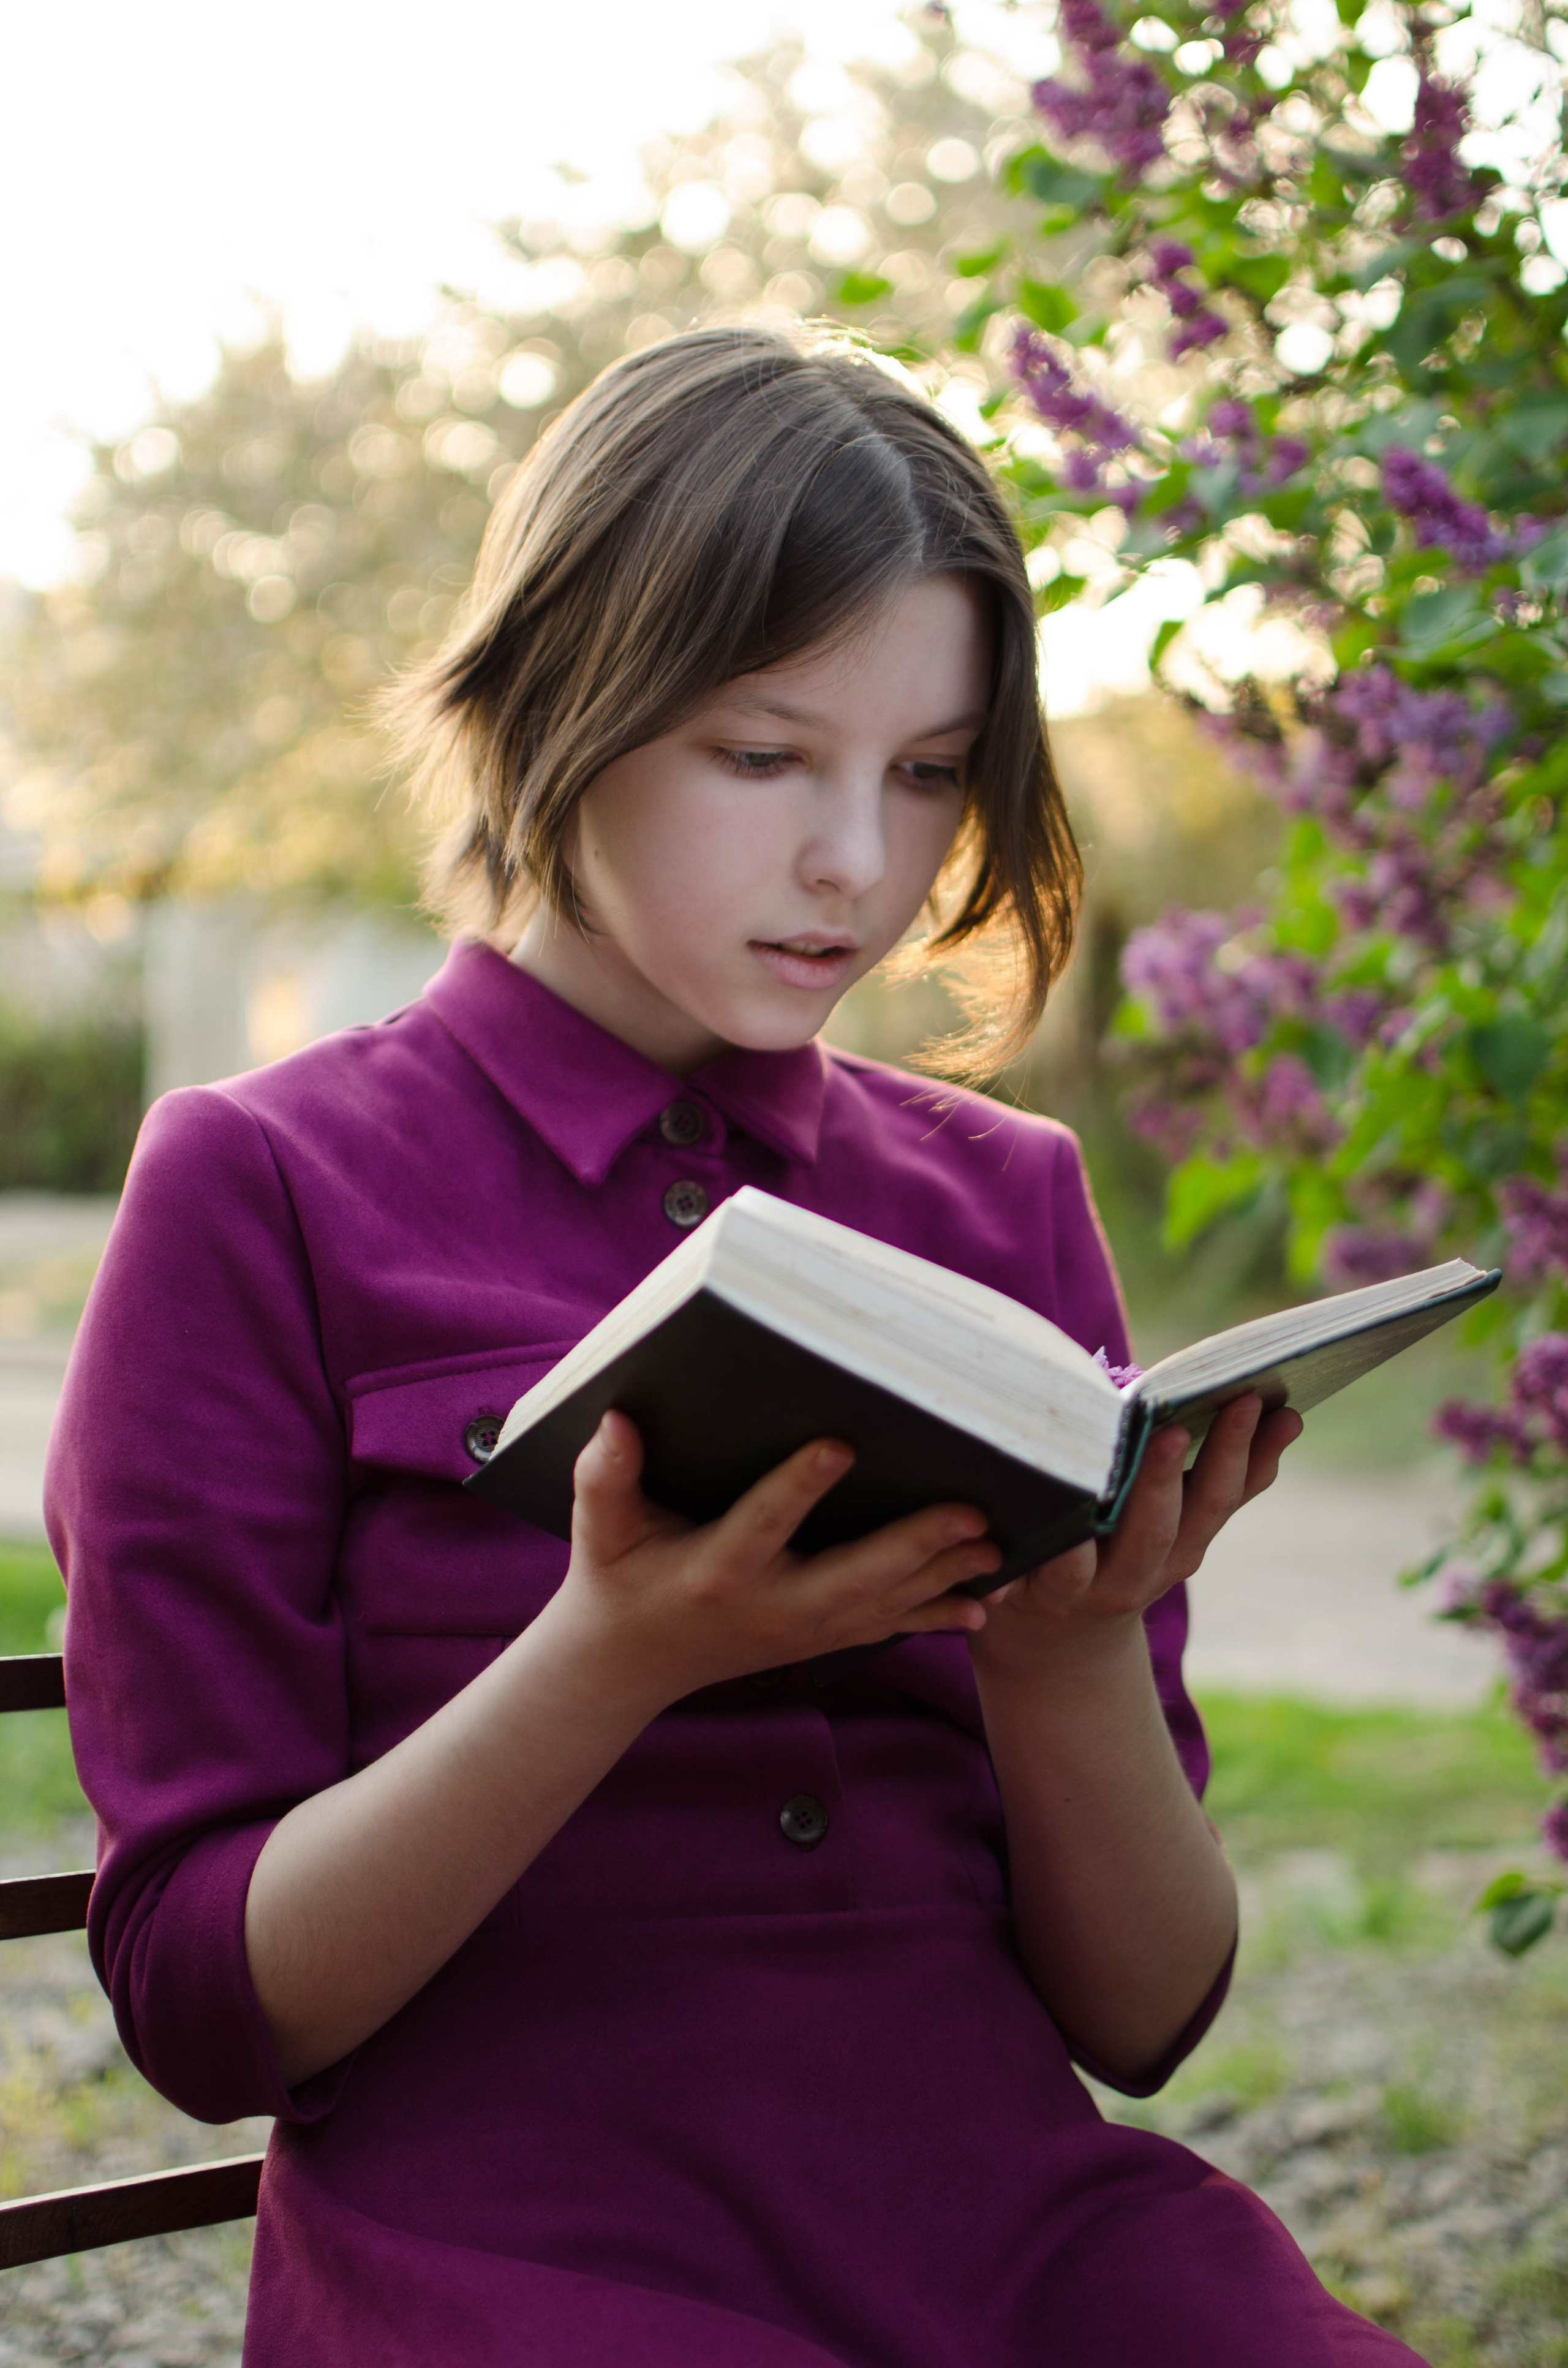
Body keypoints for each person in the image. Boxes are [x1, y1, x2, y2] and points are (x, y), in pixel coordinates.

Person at [50, 325, 1427, 2367]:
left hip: (1017, 2239)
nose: (857, 863)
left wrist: (1060, 1659)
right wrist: (618, 1650)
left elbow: (1144, 2018)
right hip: (521, 2263)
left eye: (931, 771)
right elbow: (204, 2008)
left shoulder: (1004, 1203)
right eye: (764, 755)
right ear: (556, 704)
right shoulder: (260, 1186)